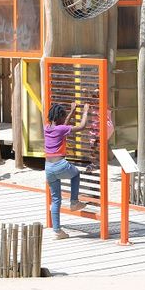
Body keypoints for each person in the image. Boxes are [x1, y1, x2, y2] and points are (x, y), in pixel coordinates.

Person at [43, 102, 90, 240]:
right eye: (63, 117)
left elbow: (63, 126)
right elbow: (82, 126)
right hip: (60, 164)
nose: (65, 120)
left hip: (48, 168)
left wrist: (72, 112)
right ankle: (74, 202)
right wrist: (85, 111)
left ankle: (57, 231)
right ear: (59, 118)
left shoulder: (47, 128)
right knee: (76, 174)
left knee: (56, 199)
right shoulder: (60, 129)